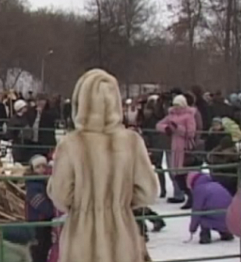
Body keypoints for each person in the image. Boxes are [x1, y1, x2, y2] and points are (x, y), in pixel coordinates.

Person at [47, 69, 158, 262]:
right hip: (122, 239)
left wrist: (85, 200)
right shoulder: (132, 142)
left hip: (81, 241)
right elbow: (148, 191)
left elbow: (60, 195)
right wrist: (120, 202)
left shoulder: (71, 144)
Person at [156, 94, 197, 205]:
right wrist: (166, 128)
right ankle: (179, 193)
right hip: (174, 146)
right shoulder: (171, 115)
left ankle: (190, 195)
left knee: (185, 172)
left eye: (178, 105)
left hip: (185, 147)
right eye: (175, 105)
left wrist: (177, 128)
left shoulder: (189, 116)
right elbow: (158, 124)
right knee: (175, 172)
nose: (176, 107)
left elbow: (191, 132)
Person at [187, 172, 234, 244]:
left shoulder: (199, 190)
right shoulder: (216, 184)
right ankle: (225, 233)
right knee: (216, 211)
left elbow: (196, 211)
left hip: (217, 215)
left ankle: (205, 236)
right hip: (229, 217)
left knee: (202, 215)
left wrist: (192, 229)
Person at [25, 155, 53, 262]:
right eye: (38, 167)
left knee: (45, 248)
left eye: (43, 166)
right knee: (39, 251)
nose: (41, 169)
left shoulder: (45, 183)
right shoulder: (33, 187)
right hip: (37, 223)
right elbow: (41, 205)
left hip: (44, 222)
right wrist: (52, 211)